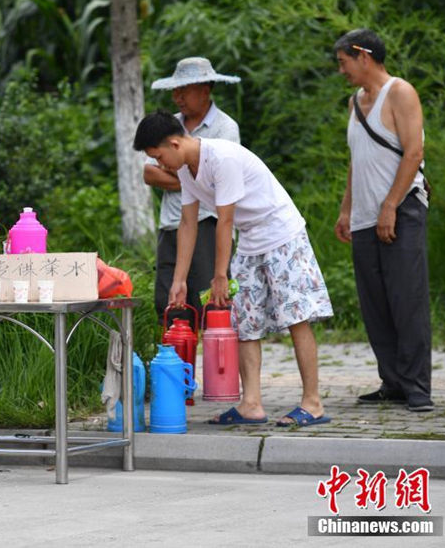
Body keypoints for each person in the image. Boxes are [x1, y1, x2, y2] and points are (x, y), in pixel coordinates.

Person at [133, 112, 334, 427]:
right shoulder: (186, 169)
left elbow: (224, 221)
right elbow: (187, 223)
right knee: (244, 322)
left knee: (296, 317)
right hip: (251, 238)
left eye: (159, 157)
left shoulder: (221, 158)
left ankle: (313, 403)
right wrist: (179, 280)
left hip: (282, 234)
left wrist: (220, 276)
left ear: (174, 144)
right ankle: (251, 404)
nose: (160, 165)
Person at [333, 29, 433, 412]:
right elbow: (357, 159)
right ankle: (392, 381)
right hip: (364, 217)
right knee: (375, 305)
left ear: (363, 55)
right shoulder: (354, 102)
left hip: (402, 210)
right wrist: (347, 209)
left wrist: (390, 205)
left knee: (407, 300)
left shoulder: (400, 92)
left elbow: (414, 152)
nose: (341, 70)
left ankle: (417, 387)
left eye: (343, 62)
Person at [144, 57, 241, 326]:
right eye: (175, 91)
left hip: (208, 224)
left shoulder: (225, 127)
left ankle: (214, 353)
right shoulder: (168, 125)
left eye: (183, 90)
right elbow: (149, 173)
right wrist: (191, 174)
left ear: (205, 90)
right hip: (171, 224)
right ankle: (178, 354)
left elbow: (217, 182)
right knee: (169, 304)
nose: (177, 97)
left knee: (210, 304)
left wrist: (181, 173)